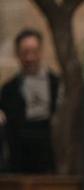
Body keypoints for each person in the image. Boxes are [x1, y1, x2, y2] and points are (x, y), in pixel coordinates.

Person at [0, 28, 59, 173]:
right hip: (19, 156)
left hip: (49, 153)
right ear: (18, 54)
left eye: (34, 51)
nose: (30, 58)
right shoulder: (9, 88)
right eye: (25, 52)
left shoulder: (56, 83)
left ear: (40, 52)